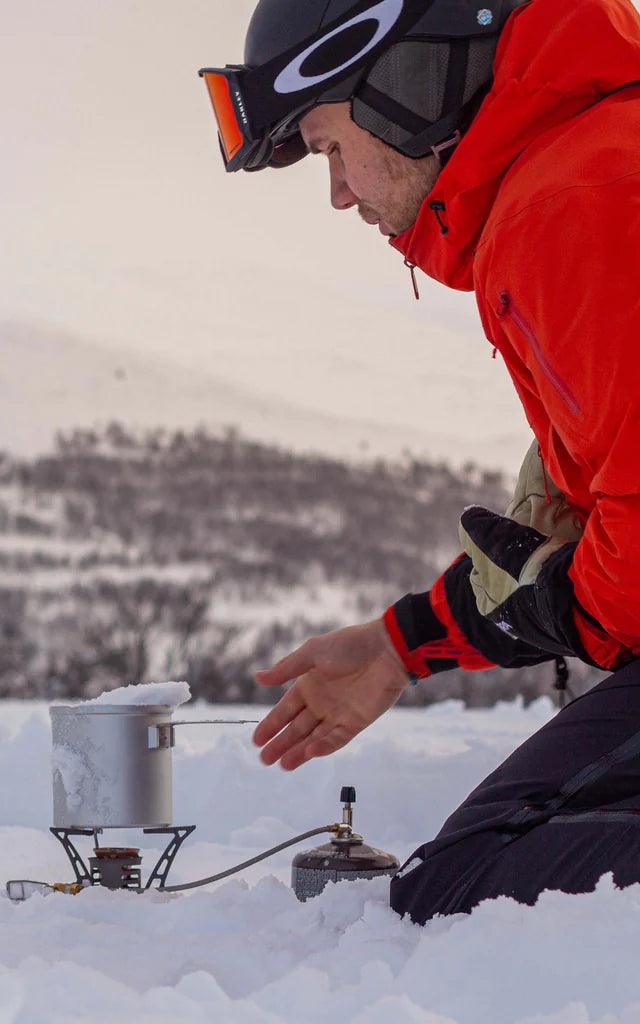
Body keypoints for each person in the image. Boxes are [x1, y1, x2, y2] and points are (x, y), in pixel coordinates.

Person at [198, 0, 640, 923]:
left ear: (406, 83)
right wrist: (401, 646)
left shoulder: (576, 200)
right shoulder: (590, 158)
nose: (340, 194)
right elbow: (581, 505)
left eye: (327, 148)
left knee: (472, 886)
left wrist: (563, 606)